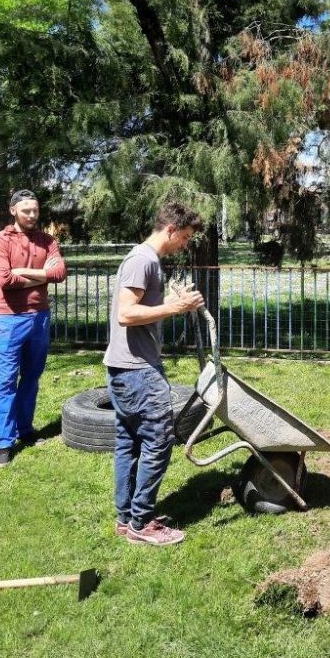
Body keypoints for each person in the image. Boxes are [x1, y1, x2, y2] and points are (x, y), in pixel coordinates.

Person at [104, 201, 205, 546]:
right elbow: (127, 314)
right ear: (170, 230)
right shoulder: (142, 260)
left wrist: (172, 298)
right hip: (138, 370)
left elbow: (143, 306)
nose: (185, 245)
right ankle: (142, 522)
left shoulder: (148, 261)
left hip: (125, 367)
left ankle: (126, 517)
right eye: (185, 237)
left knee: (128, 443)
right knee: (158, 441)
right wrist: (176, 307)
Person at [0, 189, 67, 468]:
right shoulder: (0, 240)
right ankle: (4, 443)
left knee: (31, 377)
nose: (32, 215)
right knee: (6, 381)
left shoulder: (48, 240)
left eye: (35, 210)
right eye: (26, 211)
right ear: (14, 211)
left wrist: (25, 273)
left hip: (40, 317)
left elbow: (59, 273)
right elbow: (4, 280)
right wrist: (42, 277)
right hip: (9, 319)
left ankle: (25, 430)